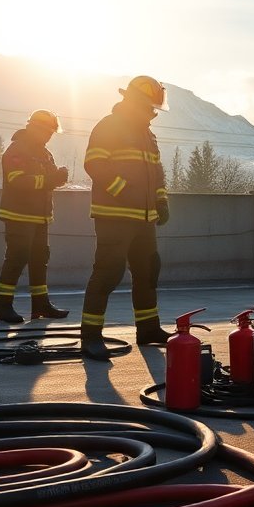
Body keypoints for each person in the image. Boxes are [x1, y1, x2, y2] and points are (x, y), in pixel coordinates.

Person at [78, 76, 172, 360]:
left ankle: (148, 328)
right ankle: (91, 337)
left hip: (144, 219)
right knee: (108, 273)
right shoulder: (110, 126)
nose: (153, 113)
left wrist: (161, 200)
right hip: (115, 216)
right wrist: (122, 190)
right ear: (136, 103)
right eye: (149, 107)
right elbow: (94, 162)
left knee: (147, 272)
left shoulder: (147, 134)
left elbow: (156, 172)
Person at [0, 109, 71, 323]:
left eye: (52, 133)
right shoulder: (17, 149)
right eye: (47, 132)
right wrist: (50, 179)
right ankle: (3, 307)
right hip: (19, 215)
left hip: (40, 216)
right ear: (34, 128)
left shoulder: (45, 153)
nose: (49, 136)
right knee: (16, 258)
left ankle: (41, 305)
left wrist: (58, 177)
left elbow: (48, 179)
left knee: (39, 260)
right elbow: (17, 180)